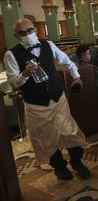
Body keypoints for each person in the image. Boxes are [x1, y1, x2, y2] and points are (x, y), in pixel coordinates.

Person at [3, 18, 90, 180]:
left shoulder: (48, 45)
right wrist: (25, 75)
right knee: (46, 138)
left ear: (35, 30)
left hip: (58, 98)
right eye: (22, 33)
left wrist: (77, 77)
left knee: (70, 132)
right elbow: (13, 83)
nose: (27, 34)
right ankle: (59, 166)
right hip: (36, 104)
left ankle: (77, 162)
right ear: (16, 36)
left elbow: (67, 62)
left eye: (30, 31)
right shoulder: (11, 55)